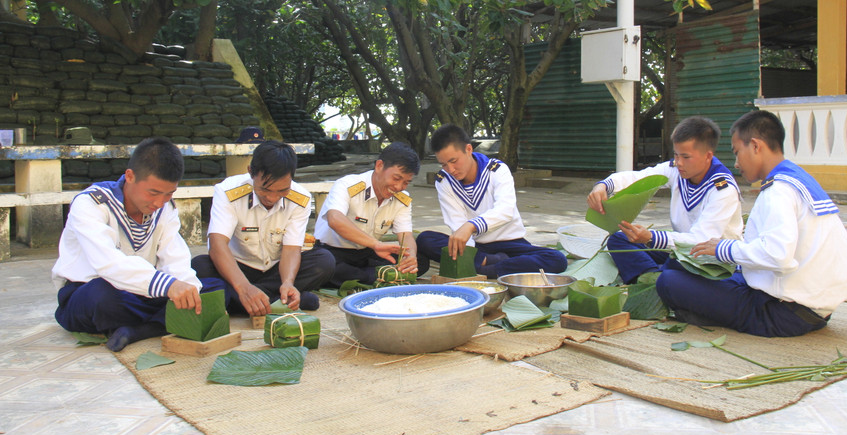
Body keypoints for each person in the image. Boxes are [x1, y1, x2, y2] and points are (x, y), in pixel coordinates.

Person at [660, 110, 847, 337]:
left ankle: (712, 316)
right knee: (679, 267)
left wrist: (724, 248)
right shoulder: (796, 178)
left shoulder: (778, 192)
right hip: (813, 307)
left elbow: (778, 255)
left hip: (783, 313)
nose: (736, 163)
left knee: (669, 281)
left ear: (755, 146)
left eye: (737, 152)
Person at [52, 137, 225, 352]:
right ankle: (158, 323)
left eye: (169, 194)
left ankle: (136, 331)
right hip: (90, 292)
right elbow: (108, 264)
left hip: (142, 292)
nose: (158, 202)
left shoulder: (165, 209)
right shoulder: (91, 204)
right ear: (130, 176)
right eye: (152, 192)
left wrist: (189, 290)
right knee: (103, 297)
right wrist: (170, 287)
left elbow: (175, 256)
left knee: (213, 289)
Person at [587, 116, 743, 284]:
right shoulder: (676, 170)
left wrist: (651, 237)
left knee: (676, 265)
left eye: (685, 157)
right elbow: (640, 177)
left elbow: (701, 240)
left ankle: (660, 279)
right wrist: (603, 185)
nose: (679, 162)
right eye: (676, 155)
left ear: (708, 155)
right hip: (679, 249)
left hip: (712, 260)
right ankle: (653, 278)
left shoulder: (723, 189)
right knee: (619, 239)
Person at [191, 140, 335, 314]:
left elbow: (291, 249)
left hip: (276, 270)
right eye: (265, 189)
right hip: (237, 269)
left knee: (324, 261)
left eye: (282, 190)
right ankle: (273, 301)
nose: (272, 198)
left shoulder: (300, 199)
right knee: (200, 266)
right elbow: (217, 246)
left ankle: (245, 301)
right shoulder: (228, 191)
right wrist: (244, 287)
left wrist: (288, 283)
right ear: (251, 172)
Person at [416, 124, 567, 278]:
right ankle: (488, 263)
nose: (450, 169)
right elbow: (456, 223)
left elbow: (505, 211)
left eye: (454, 161)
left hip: (511, 243)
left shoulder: (497, 170)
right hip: (477, 247)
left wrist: (471, 225)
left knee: (557, 259)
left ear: (468, 150)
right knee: (425, 239)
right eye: (443, 164)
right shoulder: (444, 181)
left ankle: (486, 270)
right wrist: (468, 255)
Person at [313, 142, 424, 286]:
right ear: (379, 166)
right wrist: (376, 244)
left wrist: (410, 257)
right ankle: (374, 276)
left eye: (406, 182)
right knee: (321, 266)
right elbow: (334, 219)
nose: (398, 187)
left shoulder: (402, 199)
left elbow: (406, 235)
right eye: (396, 178)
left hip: (367, 253)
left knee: (421, 262)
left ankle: (367, 276)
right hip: (333, 252)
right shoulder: (347, 185)